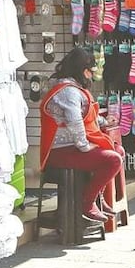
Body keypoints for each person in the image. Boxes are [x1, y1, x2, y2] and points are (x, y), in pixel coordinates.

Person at [39, 47, 123, 224]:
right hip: (61, 151)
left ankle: (97, 197)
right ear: (84, 71)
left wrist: (104, 122)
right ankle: (87, 202)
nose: (92, 76)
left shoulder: (73, 89)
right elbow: (75, 121)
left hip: (72, 147)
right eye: (91, 71)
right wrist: (85, 146)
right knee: (113, 159)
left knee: (118, 151)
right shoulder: (68, 92)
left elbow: (86, 116)